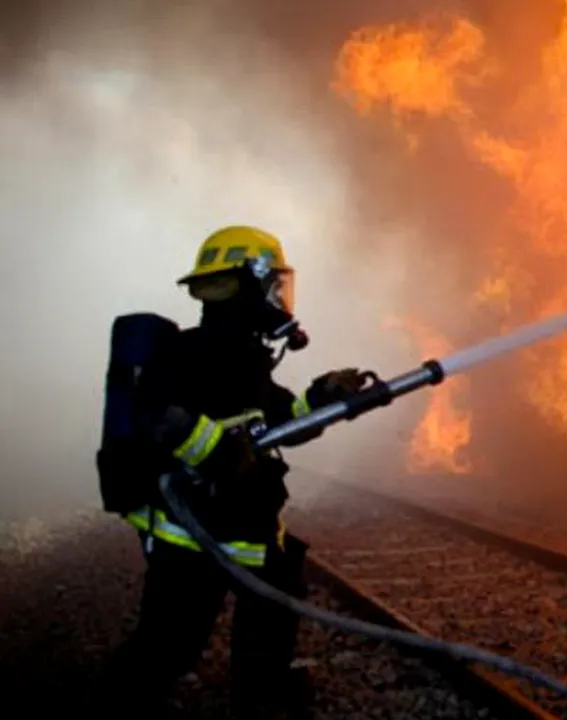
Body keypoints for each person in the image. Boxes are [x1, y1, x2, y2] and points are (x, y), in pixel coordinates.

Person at [97, 225, 367, 719]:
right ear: (249, 282)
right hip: (190, 539)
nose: (279, 297)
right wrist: (216, 451)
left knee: (272, 613)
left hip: (247, 531)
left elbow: (281, 420)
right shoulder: (190, 354)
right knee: (166, 651)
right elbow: (158, 414)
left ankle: (263, 698)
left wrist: (324, 396)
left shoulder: (245, 357)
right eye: (272, 285)